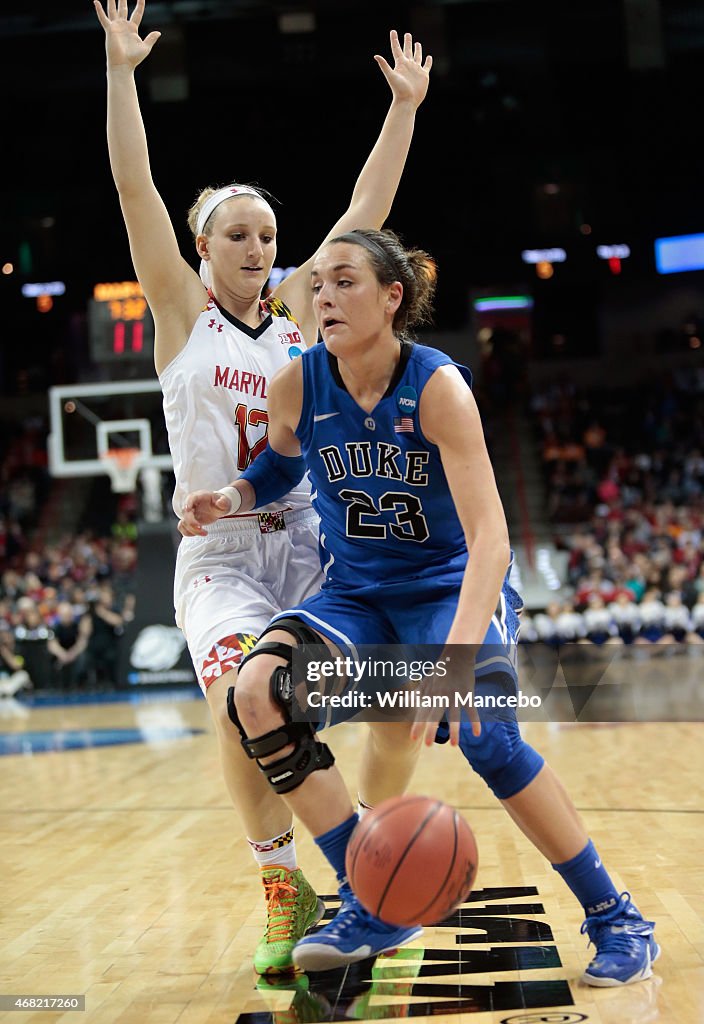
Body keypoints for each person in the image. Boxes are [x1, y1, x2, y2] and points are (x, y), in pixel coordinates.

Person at [181, 228, 660, 985]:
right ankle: (374, 897)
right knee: (255, 695)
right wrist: (235, 494)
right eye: (319, 286)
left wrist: (455, 660)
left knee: (486, 737)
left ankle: (616, 915)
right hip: (358, 594)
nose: (325, 296)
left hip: (450, 583)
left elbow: (492, 538)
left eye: (345, 282)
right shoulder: (299, 385)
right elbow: (279, 462)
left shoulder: (436, 386)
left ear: (392, 296)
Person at [94, 0, 432, 974]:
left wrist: (402, 110)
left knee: (397, 710)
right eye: (236, 234)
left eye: (267, 234)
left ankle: (371, 855)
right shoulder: (178, 316)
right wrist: (121, 72)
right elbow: (131, 189)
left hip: (318, 546)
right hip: (223, 558)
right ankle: (284, 885)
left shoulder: (298, 313)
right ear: (203, 249)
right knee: (242, 704)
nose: (255, 247)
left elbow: (363, 217)